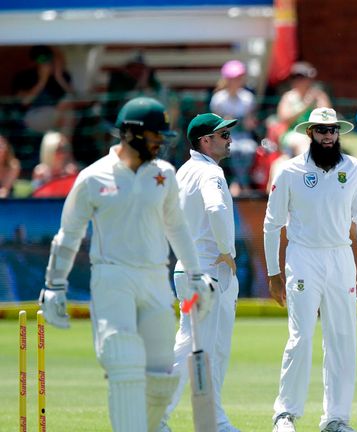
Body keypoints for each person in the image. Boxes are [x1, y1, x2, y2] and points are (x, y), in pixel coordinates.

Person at [37, 96, 214, 432]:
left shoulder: (164, 174)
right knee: (123, 361)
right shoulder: (93, 177)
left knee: (161, 380)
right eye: (154, 135)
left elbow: (176, 227)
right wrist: (55, 285)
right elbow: (68, 235)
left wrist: (195, 275)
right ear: (132, 134)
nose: (160, 142)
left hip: (154, 277)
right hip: (112, 276)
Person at [265, 107, 357, 432]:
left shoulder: (354, 168)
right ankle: (285, 415)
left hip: (341, 257)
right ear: (310, 133)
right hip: (303, 257)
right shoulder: (289, 171)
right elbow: (272, 225)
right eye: (322, 131)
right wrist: (274, 274)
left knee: (343, 338)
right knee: (300, 337)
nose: (328, 137)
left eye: (333, 131)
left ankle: (336, 418)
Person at [160, 113, 241, 432]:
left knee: (208, 347)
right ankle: (160, 418)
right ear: (205, 141)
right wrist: (227, 250)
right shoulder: (209, 172)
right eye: (223, 135)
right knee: (197, 347)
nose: (229, 139)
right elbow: (216, 209)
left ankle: (212, 419)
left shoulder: (185, 171)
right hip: (209, 272)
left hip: (191, 270)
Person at [210, 60, 259, 197]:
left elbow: (250, 122)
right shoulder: (218, 99)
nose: (237, 81)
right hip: (224, 137)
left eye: (239, 78)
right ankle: (242, 184)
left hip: (243, 136)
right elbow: (215, 125)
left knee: (248, 149)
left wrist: (249, 123)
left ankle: (237, 183)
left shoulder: (248, 98)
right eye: (233, 78)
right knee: (235, 150)